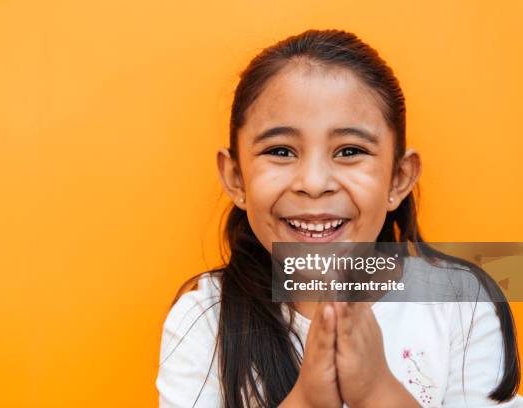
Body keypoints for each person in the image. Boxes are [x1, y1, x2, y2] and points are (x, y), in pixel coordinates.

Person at [156, 29, 522, 407]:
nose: (314, 184)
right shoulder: (203, 320)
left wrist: (378, 391)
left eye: (349, 150)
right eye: (281, 151)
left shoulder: (458, 303)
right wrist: (308, 401)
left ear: (398, 178)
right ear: (237, 179)